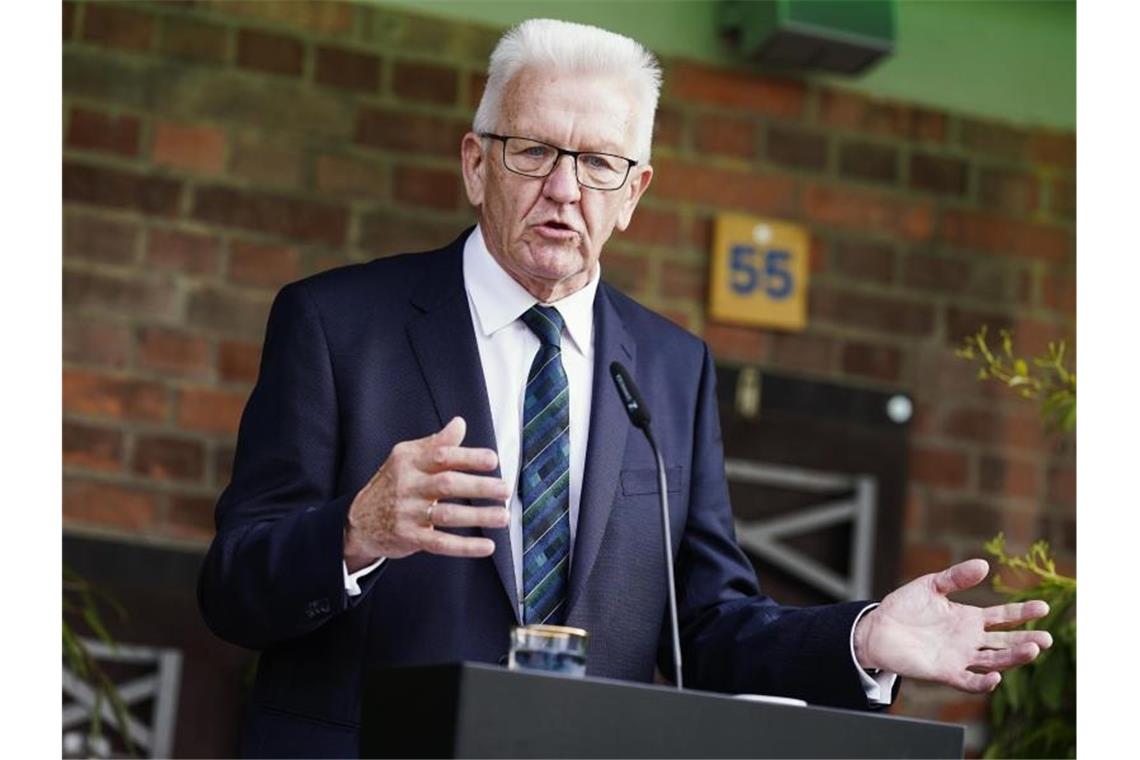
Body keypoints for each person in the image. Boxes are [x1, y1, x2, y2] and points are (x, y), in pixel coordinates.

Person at [198, 18, 1052, 758]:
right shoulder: (337, 324)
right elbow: (233, 588)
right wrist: (355, 531)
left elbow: (706, 627)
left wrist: (864, 639)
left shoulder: (671, 368)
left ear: (634, 193)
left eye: (600, 163)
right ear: (476, 164)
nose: (563, 189)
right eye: (533, 151)